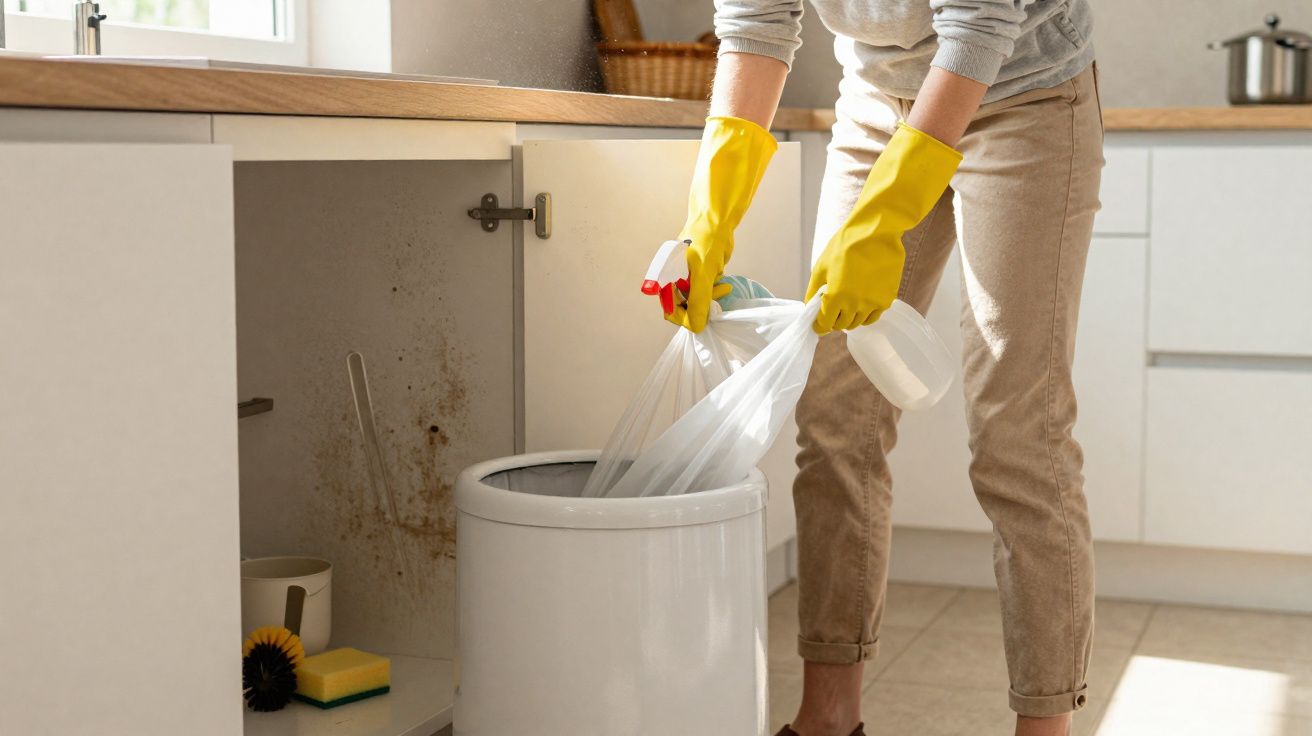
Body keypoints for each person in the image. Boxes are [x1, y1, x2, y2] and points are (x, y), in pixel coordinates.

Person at [665, 1, 1103, 735]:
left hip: (1025, 93)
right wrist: (710, 216)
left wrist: (882, 220)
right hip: (877, 101)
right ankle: (828, 719)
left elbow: (978, 27)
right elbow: (756, 26)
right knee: (837, 415)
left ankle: (1044, 726)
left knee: (1017, 432)